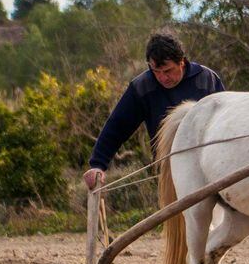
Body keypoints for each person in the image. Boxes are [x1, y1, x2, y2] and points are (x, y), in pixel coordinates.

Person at [83, 32, 226, 189]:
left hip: (208, 166)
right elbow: (117, 125)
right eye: (156, 72)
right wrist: (98, 164)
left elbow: (225, 123)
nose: (162, 78)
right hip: (169, 171)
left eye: (168, 71)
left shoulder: (207, 79)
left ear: (182, 62)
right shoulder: (142, 86)